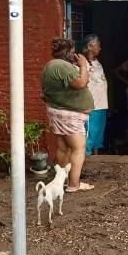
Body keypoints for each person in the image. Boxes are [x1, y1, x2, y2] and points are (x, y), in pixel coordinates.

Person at [41, 37, 95, 192]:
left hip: (59, 111)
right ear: (68, 51)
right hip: (69, 114)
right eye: (72, 51)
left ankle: (61, 181)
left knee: (64, 148)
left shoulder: (51, 65)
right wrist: (83, 65)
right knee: (78, 148)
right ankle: (73, 184)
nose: (75, 54)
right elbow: (80, 83)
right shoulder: (62, 66)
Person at [82, 34, 108, 156]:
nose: (100, 48)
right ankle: (86, 157)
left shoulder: (98, 63)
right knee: (89, 132)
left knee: (98, 133)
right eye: (98, 45)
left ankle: (96, 157)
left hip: (102, 104)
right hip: (90, 105)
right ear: (90, 46)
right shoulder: (82, 63)